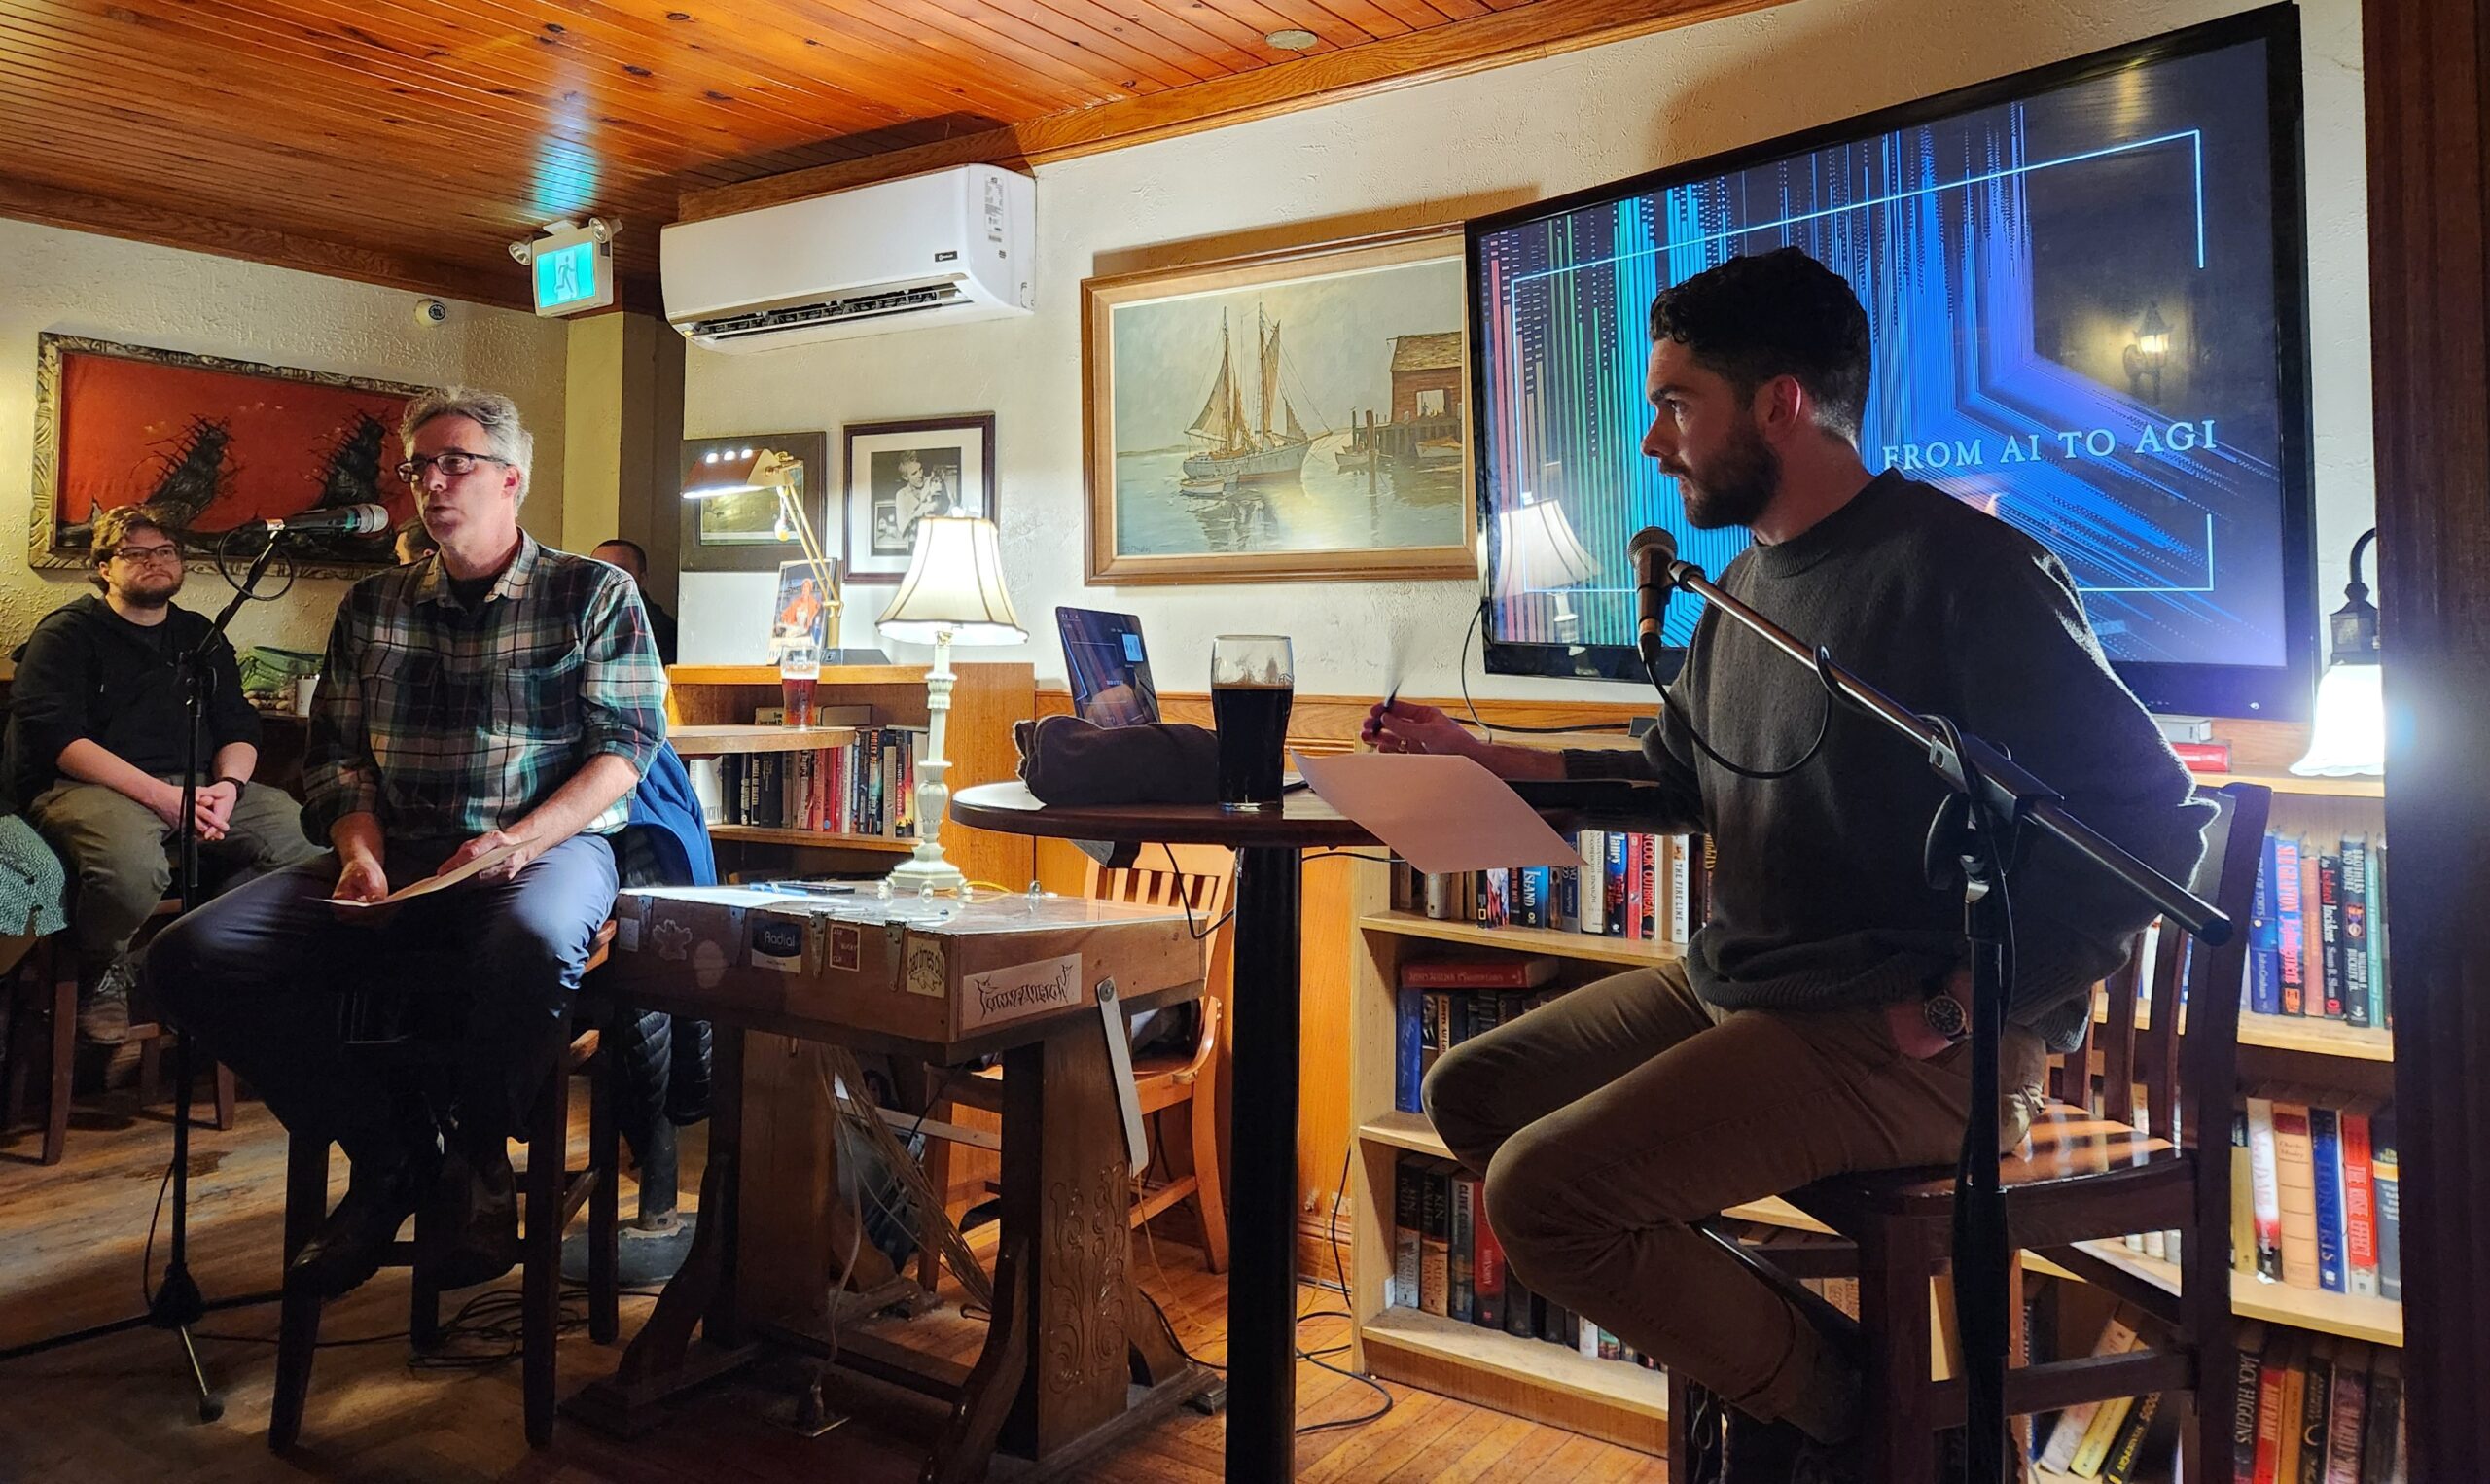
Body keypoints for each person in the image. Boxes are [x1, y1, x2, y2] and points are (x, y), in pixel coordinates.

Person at [1363, 248, 2212, 1478]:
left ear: (1777, 403)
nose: (1654, 442)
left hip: (1911, 1030)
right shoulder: (1747, 584)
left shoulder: (1964, 569)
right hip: (1750, 989)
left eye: (1674, 404)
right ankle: (1859, 1391)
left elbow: (2149, 820)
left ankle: (1854, 1421)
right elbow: (1677, 769)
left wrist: (1961, 1005)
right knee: (1471, 1097)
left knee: (1546, 1195)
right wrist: (1479, 752)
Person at [145, 388, 666, 1298]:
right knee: (188, 957)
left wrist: (517, 839)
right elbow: (338, 757)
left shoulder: (592, 591)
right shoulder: (372, 603)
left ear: (512, 479)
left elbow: (624, 751)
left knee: (536, 942)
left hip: (541, 848)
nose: (430, 482)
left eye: (453, 462)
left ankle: (475, 1160)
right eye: (417, 466)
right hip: (397, 853)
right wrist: (358, 847)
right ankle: (389, 1153)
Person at [4, 504, 323, 1044]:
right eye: (136, 553)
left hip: (201, 784)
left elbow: (238, 725)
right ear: (104, 566)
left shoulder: (199, 635)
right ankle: (101, 968)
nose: (155, 561)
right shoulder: (67, 634)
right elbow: (60, 740)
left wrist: (228, 787)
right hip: (92, 788)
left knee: (309, 846)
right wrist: (161, 798)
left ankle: (167, 959)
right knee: (130, 871)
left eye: (166, 551)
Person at [590, 537, 678, 665]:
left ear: (642, 579)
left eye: (619, 572)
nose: (607, 580)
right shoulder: (576, 622)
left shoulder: (661, 631)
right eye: (598, 570)